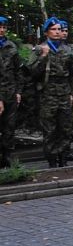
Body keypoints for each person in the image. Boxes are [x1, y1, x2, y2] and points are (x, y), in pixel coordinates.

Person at [0, 16, 21, 168]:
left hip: (11, 93)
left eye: (4, 27)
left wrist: (18, 91)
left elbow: (18, 71)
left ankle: (7, 158)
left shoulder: (11, 46)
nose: (2, 30)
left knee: (9, 126)